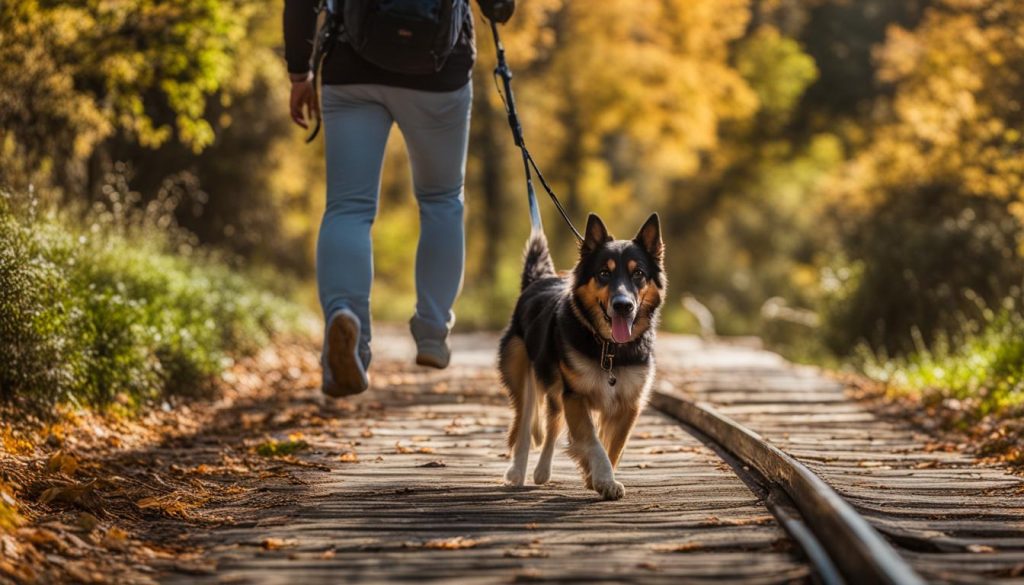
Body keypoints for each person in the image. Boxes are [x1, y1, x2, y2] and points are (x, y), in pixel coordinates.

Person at [284, 0, 515, 397]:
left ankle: (346, 323)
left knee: (348, 207)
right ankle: (432, 331)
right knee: (442, 200)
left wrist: (298, 71)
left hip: (351, 64)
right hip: (438, 70)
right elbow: (501, 8)